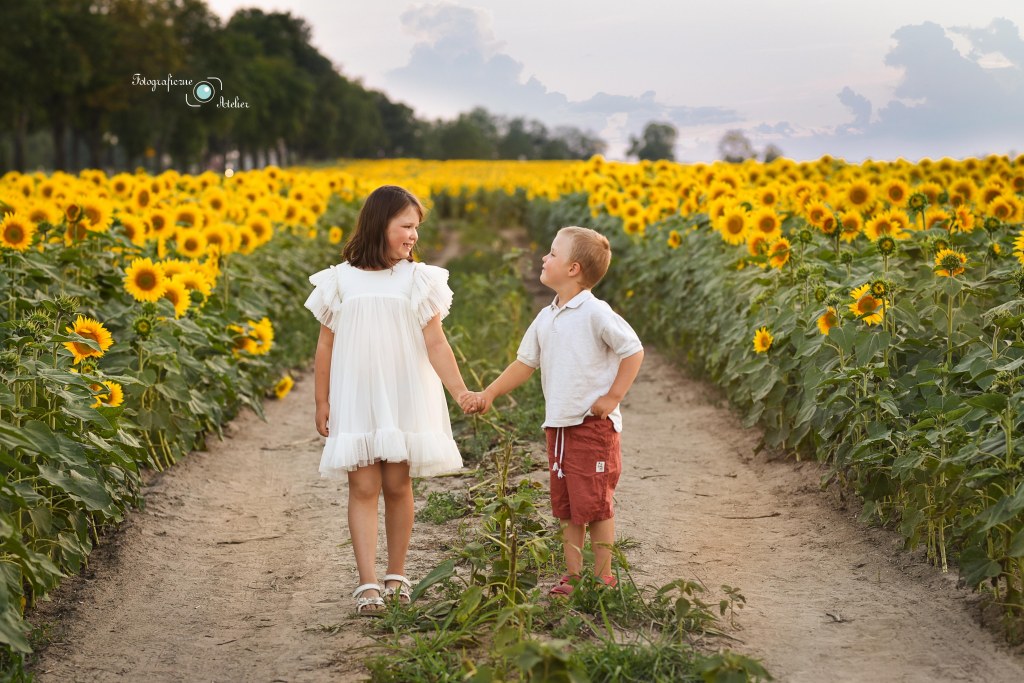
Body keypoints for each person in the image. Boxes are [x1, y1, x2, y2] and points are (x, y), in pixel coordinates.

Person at [304, 185, 473, 615]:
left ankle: (397, 575)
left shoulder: (418, 279)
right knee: (362, 486)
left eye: (417, 227)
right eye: (407, 226)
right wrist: (321, 401)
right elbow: (326, 345)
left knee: (398, 485)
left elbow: (436, 343)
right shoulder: (340, 280)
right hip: (357, 395)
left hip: (402, 392)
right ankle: (368, 584)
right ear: (381, 224)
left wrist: (459, 390)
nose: (414, 234)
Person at [463, 226, 644, 595]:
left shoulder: (595, 312)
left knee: (595, 503)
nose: (544, 259)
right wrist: (490, 392)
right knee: (566, 506)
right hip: (559, 428)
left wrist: (612, 397)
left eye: (552, 253)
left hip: (592, 426)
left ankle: (603, 576)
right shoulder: (547, 316)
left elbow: (633, 350)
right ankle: (574, 575)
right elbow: (525, 363)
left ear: (574, 268)